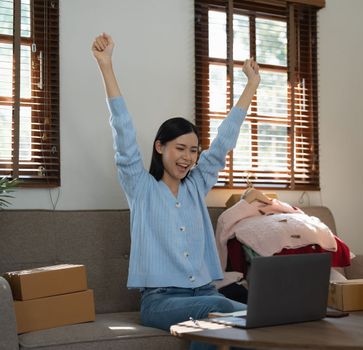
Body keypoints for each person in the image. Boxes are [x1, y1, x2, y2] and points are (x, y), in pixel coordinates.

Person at [92, 33, 260, 349]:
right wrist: (106, 66)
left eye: (194, 151)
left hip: (207, 294)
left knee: (218, 321)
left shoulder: (196, 185)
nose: (188, 158)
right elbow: (123, 131)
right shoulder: (140, 187)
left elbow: (224, 139)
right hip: (160, 302)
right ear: (160, 147)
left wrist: (251, 85)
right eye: (180, 148)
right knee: (227, 311)